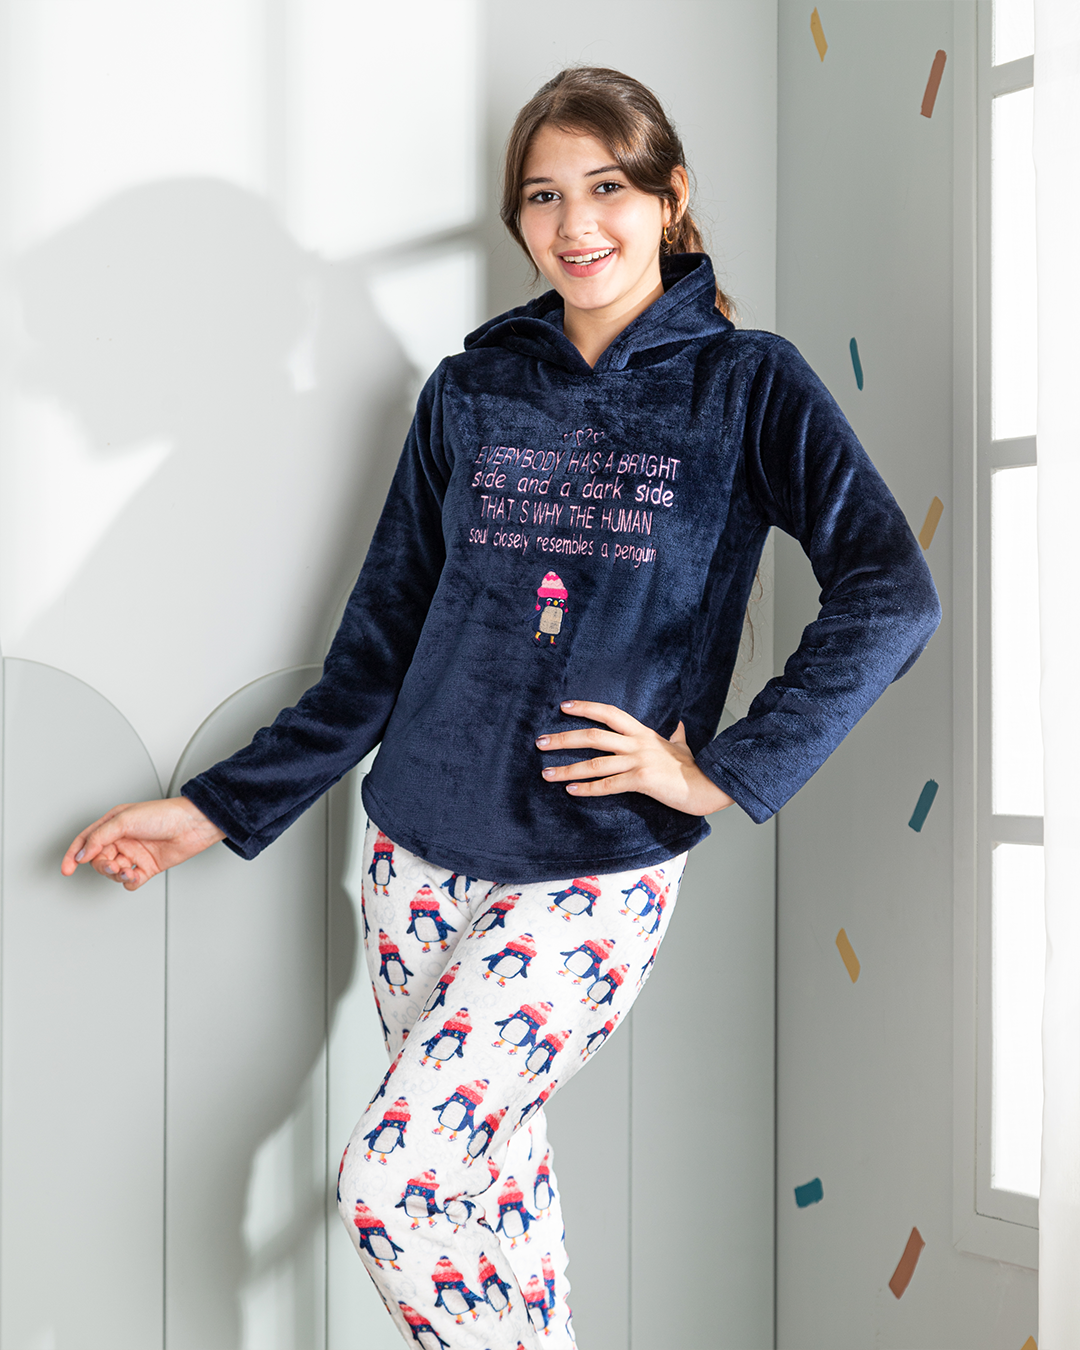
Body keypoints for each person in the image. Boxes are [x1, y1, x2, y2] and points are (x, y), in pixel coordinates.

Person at [61, 66, 939, 1350]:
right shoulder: (471, 390)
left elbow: (892, 589)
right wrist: (208, 813)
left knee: (393, 1186)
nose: (576, 223)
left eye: (607, 187)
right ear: (517, 218)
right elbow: (376, 654)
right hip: (414, 853)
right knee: (487, 1181)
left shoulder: (748, 384)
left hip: (591, 863)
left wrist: (723, 771)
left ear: (670, 197)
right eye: (543, 196)